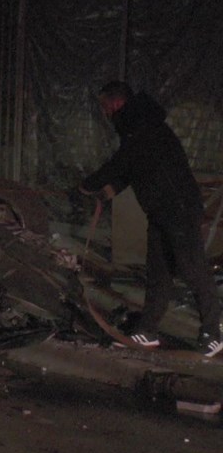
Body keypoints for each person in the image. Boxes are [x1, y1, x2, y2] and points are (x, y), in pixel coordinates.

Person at [78, 81, 222, 356]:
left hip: (178, 208)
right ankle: (147, 330)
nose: (104, 113)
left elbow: (121, 163)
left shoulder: (142, 129)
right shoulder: (137, 129)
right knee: (159, 274)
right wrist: (108, 191)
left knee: (192, 268)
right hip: (160, 210)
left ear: (117, 103)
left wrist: (88, 184)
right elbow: (134, 168)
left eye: (105, 107)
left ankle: (213, 332)